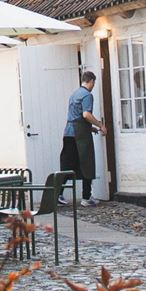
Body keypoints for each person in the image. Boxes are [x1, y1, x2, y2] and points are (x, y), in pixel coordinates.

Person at [59, 71, 101, 203]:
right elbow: (86, 115)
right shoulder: (87, 95)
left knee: (67, 165)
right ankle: (86, 197)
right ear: (91, 81)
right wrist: (101, 125)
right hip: (80, 135)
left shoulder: (74, 94)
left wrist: (91, 128)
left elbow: (75, 116)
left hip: (68, 133)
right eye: (93, 83)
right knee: (87, 163)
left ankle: (57, 194)